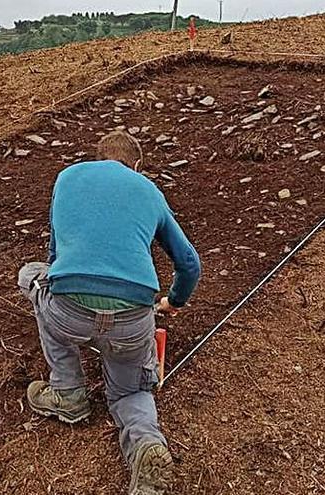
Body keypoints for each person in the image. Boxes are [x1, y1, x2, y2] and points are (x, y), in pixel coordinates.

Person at [18, 131, 201, 495]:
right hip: (133, 319)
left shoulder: (68, 177)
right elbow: (189, 264)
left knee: (30, 278)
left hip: (69, 310)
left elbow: (54, 254)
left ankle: (68, 394)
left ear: (98, 157)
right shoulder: (148, 189)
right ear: (137, 165)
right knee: (131, 393)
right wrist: (173, 302)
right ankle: (147, 444)